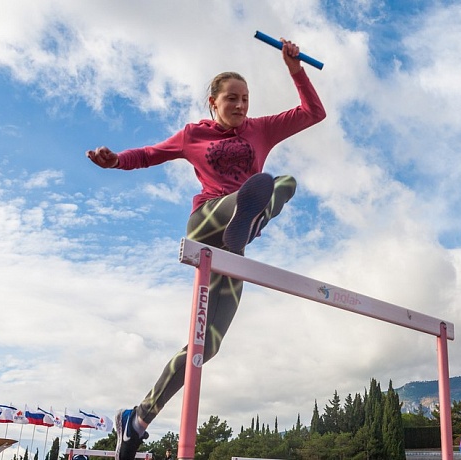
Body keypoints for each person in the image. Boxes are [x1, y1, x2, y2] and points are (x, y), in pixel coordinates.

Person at [86, 37, 325, 460]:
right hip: (206, 225)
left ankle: (136, 420)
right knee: (261, 187)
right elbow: (149, 153)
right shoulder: (193, 134)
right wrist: (116, 160)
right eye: (231, 99)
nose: (240, 106)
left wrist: (294, 69)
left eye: (246, 99)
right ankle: (244, 217)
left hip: (231, 249)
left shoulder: (261, 129)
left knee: (206, 344)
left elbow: (313, 113)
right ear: (212, 102)